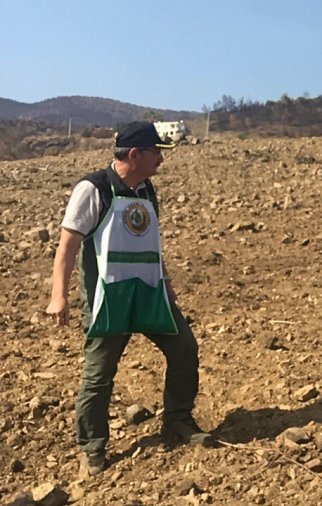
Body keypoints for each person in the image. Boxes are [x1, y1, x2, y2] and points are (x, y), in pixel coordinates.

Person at [45, 121, 211, 478]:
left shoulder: (147, 191)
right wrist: (58, 295)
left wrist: (165, 282)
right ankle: (92, 446)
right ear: (134, 154)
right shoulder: (92, 189)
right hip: (110, 298)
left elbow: (151, 242)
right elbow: (68, 245)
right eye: (155, 153)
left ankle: (178, 421)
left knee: (184, 349)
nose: (160, 160)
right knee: (99, 375)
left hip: (149, 294)